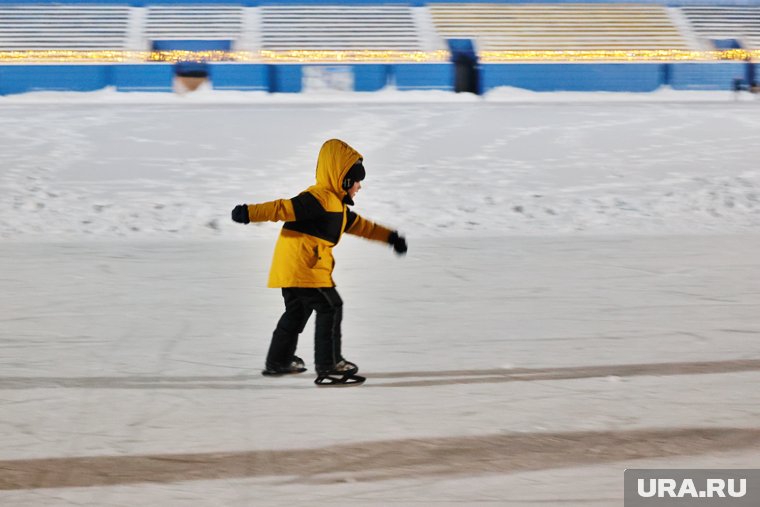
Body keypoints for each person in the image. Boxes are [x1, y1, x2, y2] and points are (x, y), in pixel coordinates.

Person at [231, 139, 407, 386]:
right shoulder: (318, 199)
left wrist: (390, 237)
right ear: (345, 180)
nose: (359, 187)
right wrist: (249, 213)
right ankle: (329, 364)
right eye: (357, 181)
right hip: (305, 268)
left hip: (294, 269)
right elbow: (282, 208)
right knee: (331, 307)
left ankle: (278, 360)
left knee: (296, 314)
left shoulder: (338, 208)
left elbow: (363, 227)